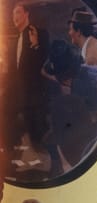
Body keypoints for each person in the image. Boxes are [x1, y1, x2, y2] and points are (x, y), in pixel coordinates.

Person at [43, 40, 97, 171]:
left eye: (61, 80)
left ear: (65, 78)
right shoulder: (82, 75)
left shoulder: (93, 85)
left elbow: (95, 122)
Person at [6, 1, 50, 174]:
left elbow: (43, 60)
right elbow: (13, 70)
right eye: (13, 14)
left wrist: (35, 44)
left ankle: (41, 167)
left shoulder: (38, 34)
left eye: (18, 13)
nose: (14, 17)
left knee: (35, 134)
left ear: (26, 14)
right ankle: (15, 161)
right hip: (16, 95)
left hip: (33, 96)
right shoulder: (14, 38)